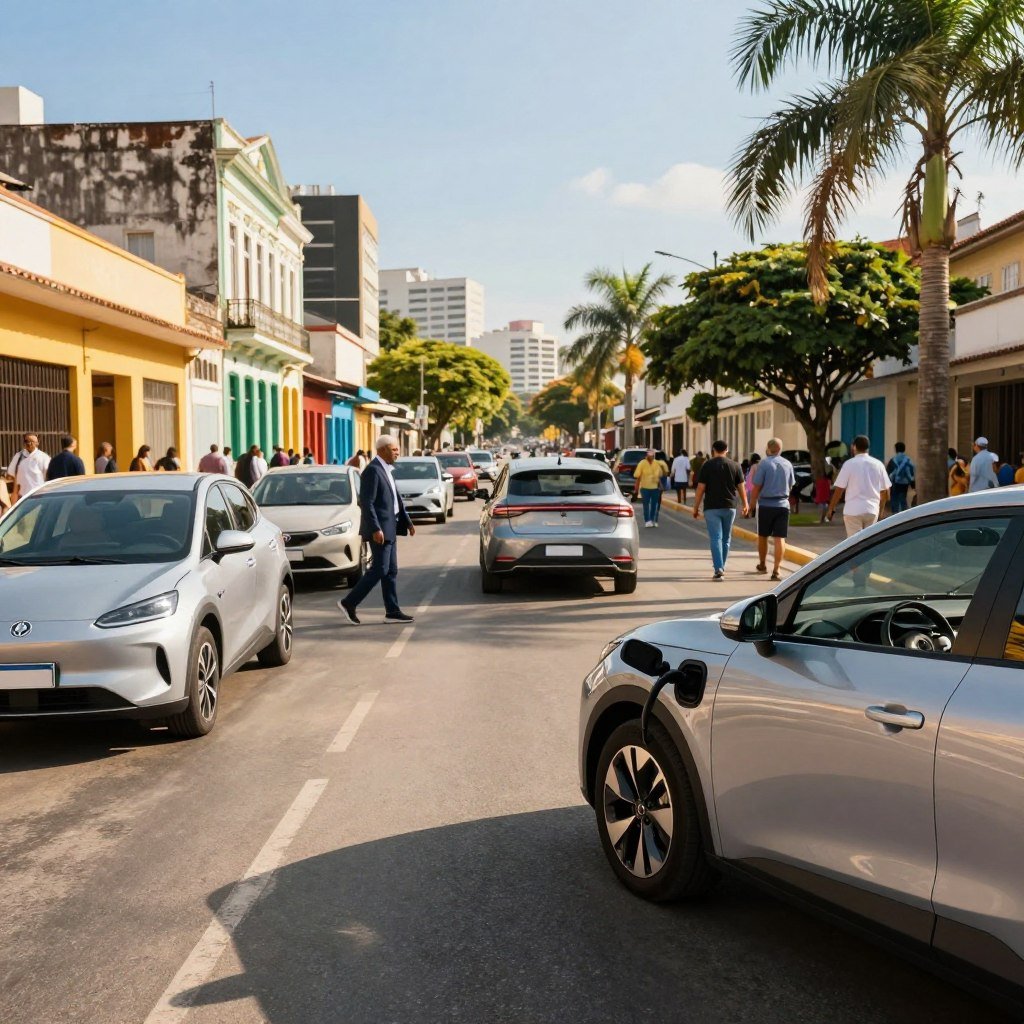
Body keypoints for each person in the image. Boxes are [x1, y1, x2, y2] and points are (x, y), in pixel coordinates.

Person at [338, 434, 416, 626]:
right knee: (380, 569)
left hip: (391, 526)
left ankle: (392, 611)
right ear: (382, 450)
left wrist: (407, 521)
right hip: (380, 529)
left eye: (398, 449)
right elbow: (368, 502)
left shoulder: (387, 469)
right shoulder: (372, 471)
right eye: (394, 449)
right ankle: (349, 603)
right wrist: (375, 528)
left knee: (391, 571)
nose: (398, 453)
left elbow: (395, 498)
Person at [693, 440, 749, 581]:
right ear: (727, 450)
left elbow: (701, 488)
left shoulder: (707, 465)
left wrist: (696, 507)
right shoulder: (735, 465)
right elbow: (741, 487)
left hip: (711, 507)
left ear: (713, 450)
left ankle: (718, 569)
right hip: (730, 506)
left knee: (715, 538)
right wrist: (745, 504)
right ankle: (721, 567)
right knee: (726, 538)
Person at [747, 439, 795, 582]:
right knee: (780, 538)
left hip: (766, 505)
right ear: (780, 449)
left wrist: (752, 504)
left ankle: (762, 564)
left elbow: (757, 486)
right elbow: (791, 485)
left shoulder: (764, 464)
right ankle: (777, 570)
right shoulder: (788, 464)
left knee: (763, 536)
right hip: (783, 505)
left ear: (768, 449)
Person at [825, 435, 891, 537]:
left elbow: (839, 489)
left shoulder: (849, 464)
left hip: (852, 510)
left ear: (854, 447)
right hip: (872, 510)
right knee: (868, 542)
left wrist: (831, 508)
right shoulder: (878, 464)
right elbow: (885, 491)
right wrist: (881, 511)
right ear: (868, 448)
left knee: (854, 543)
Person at [6, 433, 50, 502]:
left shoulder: (44, 457)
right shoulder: (18, 456)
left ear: (37, 443)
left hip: (38, 495)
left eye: (32, 441)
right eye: (26, 441)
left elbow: (48, 476)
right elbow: (11, 475)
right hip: (21, 497)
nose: (29, 443)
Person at [633, 449, 667, 528]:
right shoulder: (642, 463)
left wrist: (661, 485)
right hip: (645, 488)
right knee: (646, 505)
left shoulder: (657, 463)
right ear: (647, 456)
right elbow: (638, 477)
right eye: (649, 455)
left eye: (652, 456)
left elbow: (659, 476)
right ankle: (647, 520)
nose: (651, 457)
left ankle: (652, 520)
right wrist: (636, 490)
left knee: (654, 505)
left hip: (655, 488)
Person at [886, 442, 916, 513]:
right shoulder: (908, 460)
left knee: (895, 500)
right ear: (904, 449)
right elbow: (912, 472)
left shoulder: (893, 460)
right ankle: (904, 514)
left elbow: (888, 473)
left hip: (895, 484)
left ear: (896, 449)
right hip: (905, 484)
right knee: (903, 498)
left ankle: (895, 515)